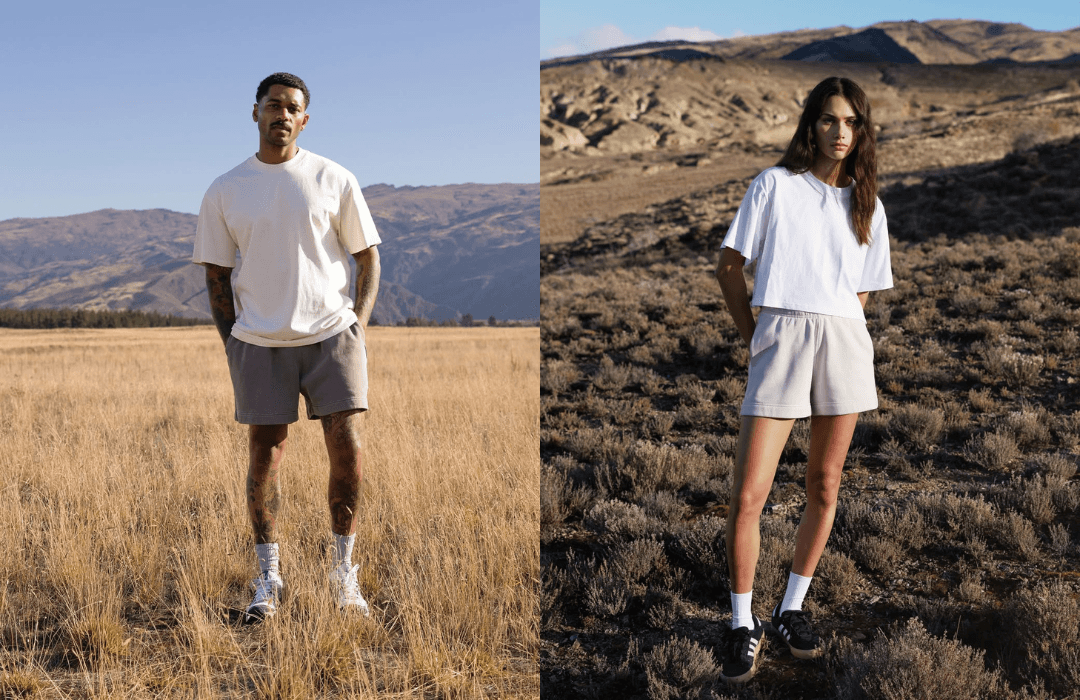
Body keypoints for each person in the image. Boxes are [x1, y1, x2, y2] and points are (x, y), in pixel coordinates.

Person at [713, 76, 892, 682]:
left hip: (843, 340)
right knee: (749, 494)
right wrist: (754, 335)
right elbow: (728, 266)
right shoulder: (774, 187)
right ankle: (742, 623)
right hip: (781, 336)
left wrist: (836, 327)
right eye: (829, 120)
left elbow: (862, 290)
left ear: (860, 131)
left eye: (851, 123)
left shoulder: (869, 204)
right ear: (810, 125)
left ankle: (790, 610)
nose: (840, 133)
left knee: (824, 484)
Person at [192, 72, 382, 622]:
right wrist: (233, 343)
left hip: (332, 336)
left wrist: (358, 328)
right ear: (254, 113)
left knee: (347, 448)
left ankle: (344, 577)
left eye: (292, 107)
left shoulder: (334, 178)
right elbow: (216, 276)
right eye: (272, 105)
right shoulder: (225, 189)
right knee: (265, 457)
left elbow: (366, 256)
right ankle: (269, 579)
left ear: (304, 119)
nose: (282, 114)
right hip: (258, 341)